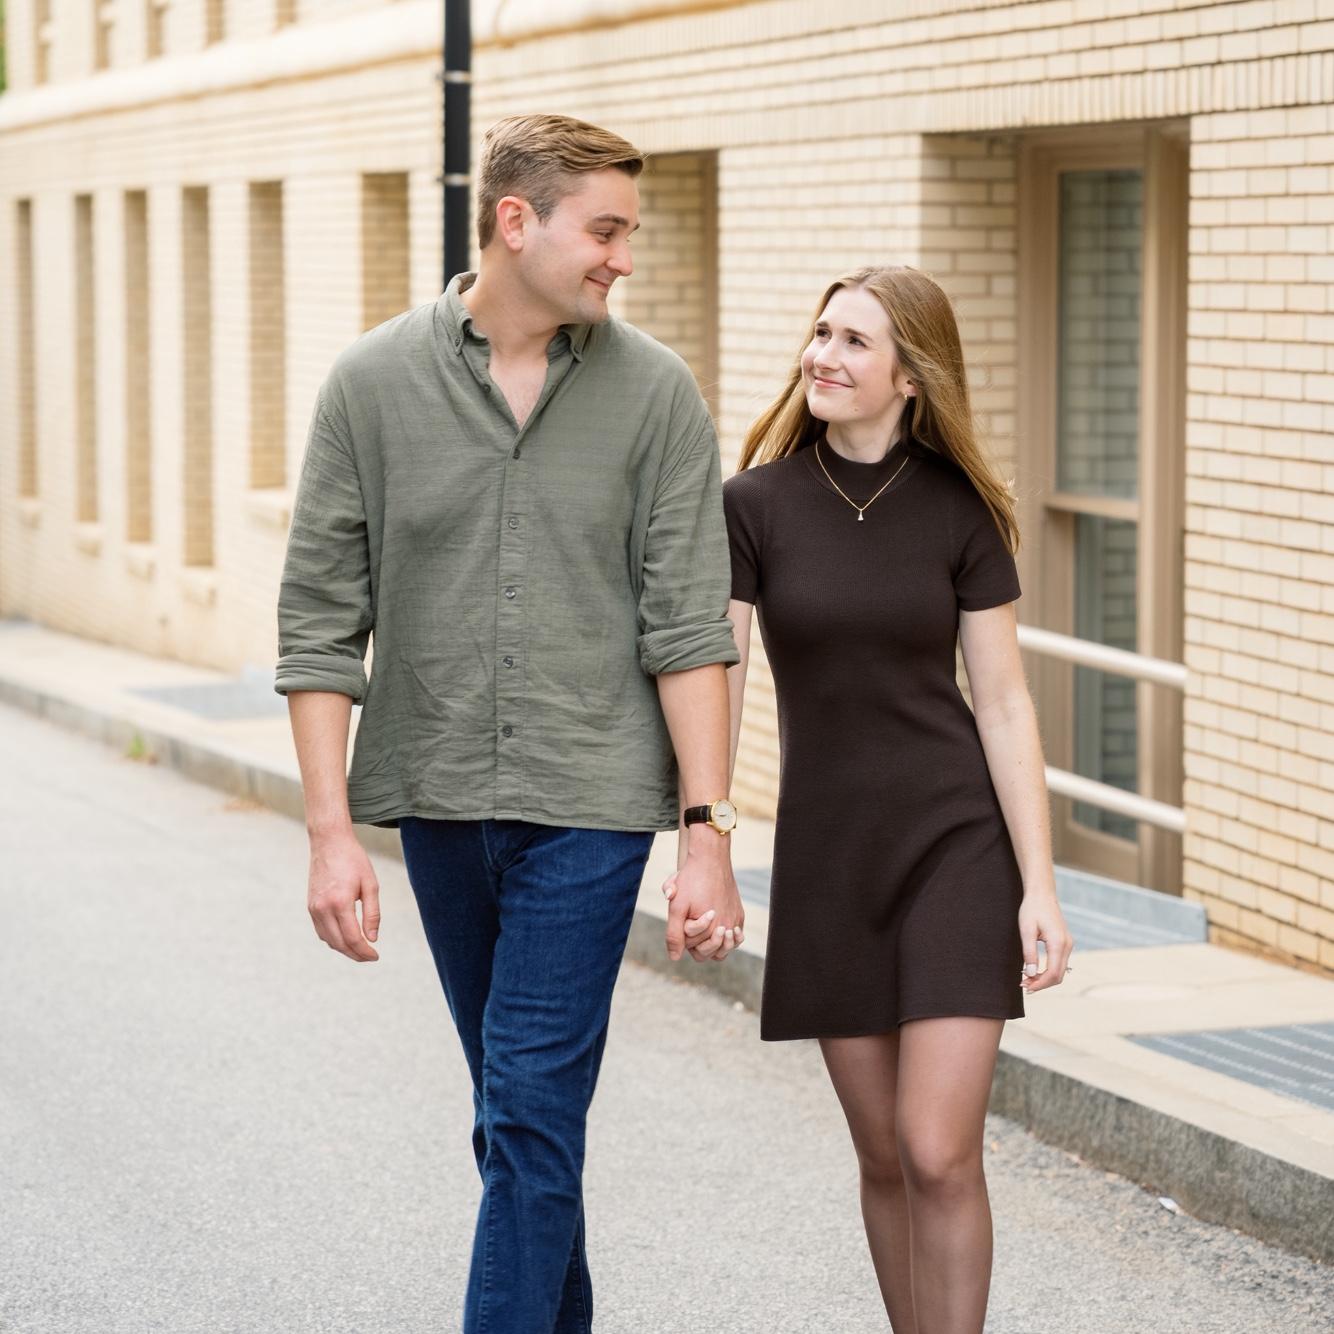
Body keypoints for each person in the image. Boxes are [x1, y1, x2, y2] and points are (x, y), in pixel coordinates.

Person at [275, 113, 745, 1334]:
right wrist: (329, 832)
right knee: (517, 1120)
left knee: (529, 1104)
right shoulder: (370, 385)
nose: (623, 258)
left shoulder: (655, 394)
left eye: (628, 233)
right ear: (514, 221)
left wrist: (705, 833)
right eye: (605, 230)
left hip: (591, 803)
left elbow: (689, 627)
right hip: (436, 796)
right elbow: (320, 622)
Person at [720, 266, 1074, 1333]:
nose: (821, 355)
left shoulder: (959, 510)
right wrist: (705, 839)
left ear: (910, 376)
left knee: (936, 1147)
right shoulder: (754, 507)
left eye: (853, 341)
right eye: (820, 332)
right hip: (829, 859)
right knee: (882, 1154)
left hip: (954, 845)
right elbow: (720, 680)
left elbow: (1002, 702)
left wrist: (1039, 884)